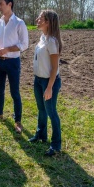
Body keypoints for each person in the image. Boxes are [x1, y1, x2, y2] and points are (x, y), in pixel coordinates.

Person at [0, 0, 29, 134]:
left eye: (1, 4)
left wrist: (8, 49)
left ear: (9, 4)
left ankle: (18, 121)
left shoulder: (19, 23)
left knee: (14, 92)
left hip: (13, 62)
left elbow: (24, 44)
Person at [29, 10, 62, 157]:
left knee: (51, 112)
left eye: (40, 18)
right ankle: (41, 135)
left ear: (48, 22)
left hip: (49, 82)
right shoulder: (43, 38)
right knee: (41, 109)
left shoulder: (52, 41)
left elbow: (55, 68)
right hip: (38, 80)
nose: (37, 20)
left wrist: (49, 87)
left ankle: (56, 145)